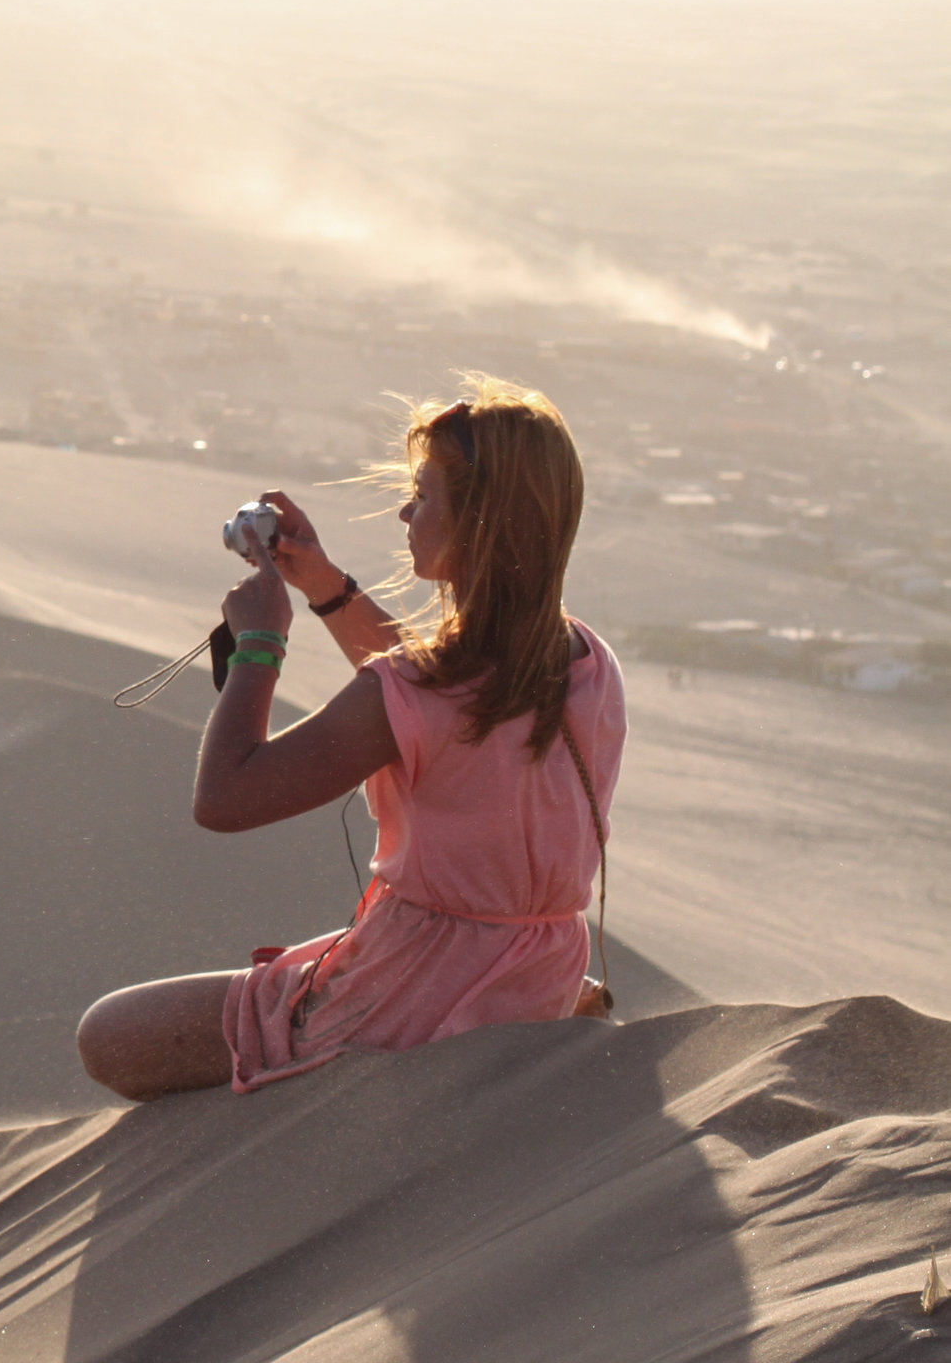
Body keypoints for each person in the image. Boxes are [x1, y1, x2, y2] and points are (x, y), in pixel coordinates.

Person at [76, 375, 626, 1100]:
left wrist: (260, 646)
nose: (405, 511)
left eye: (424, 495)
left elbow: (225, 797)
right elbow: (450, 703)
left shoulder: (417, 688)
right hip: (538, 963)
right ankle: (535, 1010)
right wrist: (328, 587)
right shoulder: (587, 662)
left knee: (109, 1035)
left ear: (478, 523)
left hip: (406, 988)